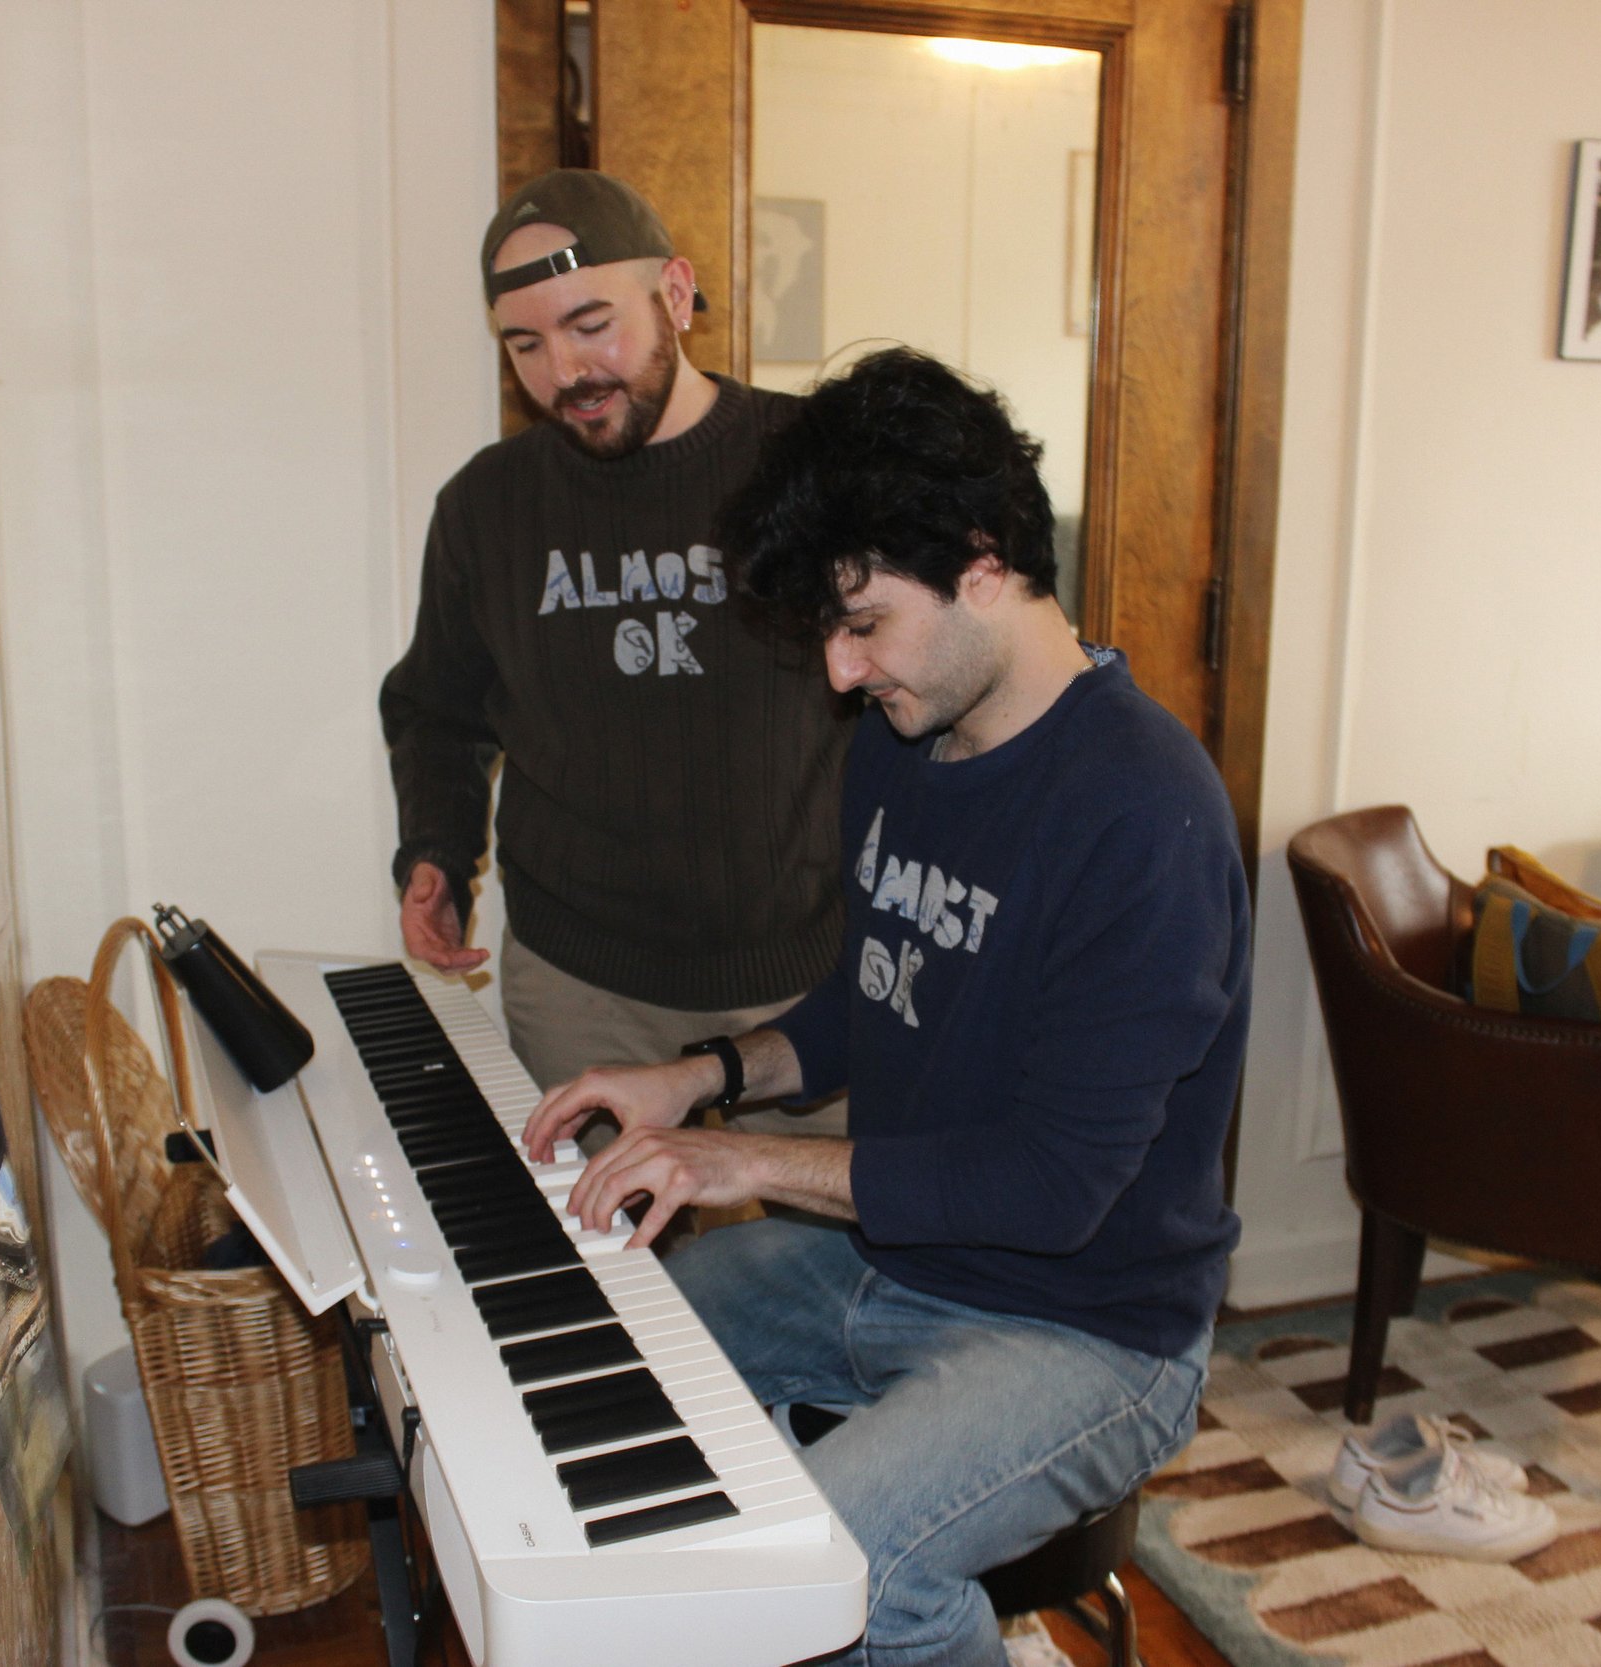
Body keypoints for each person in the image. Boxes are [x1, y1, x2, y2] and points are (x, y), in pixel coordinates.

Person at [520, 348, 1249, 1667]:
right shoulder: (904, 743)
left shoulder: (1144, 810)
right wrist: (699, 1081)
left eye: (865, 623)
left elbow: (1048, 1189)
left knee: (850, 1567)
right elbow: (876, 991)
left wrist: (743, 1160)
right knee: (612, 1354)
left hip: (1091, 1327)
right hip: (892, 1261)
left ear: (983, 559)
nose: (845, 673)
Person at [379, 170, 854, 1125]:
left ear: (675, 294)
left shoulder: (813, 464)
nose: (564, 372)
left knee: (831, 1257)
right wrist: (435, 850)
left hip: (800, 979)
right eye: (526, 344)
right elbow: (439, 709)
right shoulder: (486, 506)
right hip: (580, 988)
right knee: (600, 1269)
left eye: (592, 325)